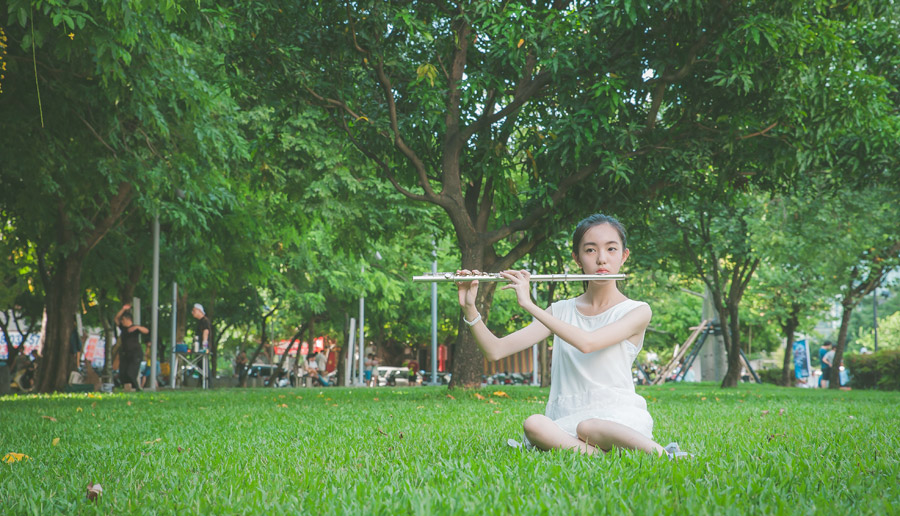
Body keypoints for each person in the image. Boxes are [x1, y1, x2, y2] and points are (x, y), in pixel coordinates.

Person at [456, 214, 686, 459]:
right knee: (534, 424)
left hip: (617, 418)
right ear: (577, 259)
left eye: (611, 249)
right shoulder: (560, 311)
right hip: (567, 419)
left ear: (624, 256)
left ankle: (664, 455)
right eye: (590, 250)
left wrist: (528, 304)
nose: (601, 259)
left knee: (590, 427)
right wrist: (470, 307)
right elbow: (495, 351)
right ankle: (600, 456)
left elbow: (589, 343)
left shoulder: (637, 311)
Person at [115, 304, 149, 391]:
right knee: (123, 373)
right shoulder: (123, 328)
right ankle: (126, 388)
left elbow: (146, 331)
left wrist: (137, 327)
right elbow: (116, 318)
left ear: (127, 319)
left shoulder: (135, 328)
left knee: (131, 372)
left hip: (135, 353)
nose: (122, 322)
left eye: (123, 320)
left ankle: (137, 388)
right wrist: (123, 309)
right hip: (125, 354)